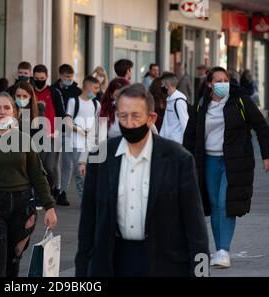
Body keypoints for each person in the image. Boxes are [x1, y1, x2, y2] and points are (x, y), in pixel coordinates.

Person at [75, 83, 209, 277]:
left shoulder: (178, 159)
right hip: (112, 263)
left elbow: (196, 229)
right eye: (123, 116)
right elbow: (87, 224)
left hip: (165, 264)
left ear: (151, 118)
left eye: (136, 116)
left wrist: (201, 274)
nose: (129, 123)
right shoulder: (100, 158)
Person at [183, 66, 269, 268]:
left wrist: (267, 155)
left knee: (226, 203)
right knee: (215, 206)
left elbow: (261, 125)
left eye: (225, 79)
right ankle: (219, 250)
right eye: (218, 80)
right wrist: (184, 160)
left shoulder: (240, 101)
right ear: (209, 84)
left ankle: (224, 249)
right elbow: (190, 135)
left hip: (235, 162)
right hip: (209, 161)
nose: (223, 83)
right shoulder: (201, 105)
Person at [0, 92, 57, 277]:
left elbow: (38, 174)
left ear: (14, 112)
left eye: (7, 107)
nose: (2, 111)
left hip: (23, 207)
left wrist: (49, 206)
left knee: (13, 262)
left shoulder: (23, 139)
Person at [63, 76, 101, 201]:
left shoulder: (96, 104)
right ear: (88, 87)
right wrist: (80, 130)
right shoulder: (74, 101)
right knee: (80, 174)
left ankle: (90, 199)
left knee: (93, 174)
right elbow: (67, 121)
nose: (97, 90)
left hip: (91, 144)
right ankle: (84, 201)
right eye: (95, 87)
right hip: (77, 143)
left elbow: (98, 122)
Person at [51, 64, 82, 206]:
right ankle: (55, 188)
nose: (69, 79)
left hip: (70, 130)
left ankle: (62, 191)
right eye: (66, 77)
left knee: (67, 163)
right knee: (52, 162)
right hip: (55, 128)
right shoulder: (53, 89)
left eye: (70, 76)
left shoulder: (77, 91)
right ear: (60, 76)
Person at [33, 64, 60, 204]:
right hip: (34, 134)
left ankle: (51, 191)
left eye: (42, 78)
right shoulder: (30, 92)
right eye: (37, 78)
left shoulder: (54, 92)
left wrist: (57, 130)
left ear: (47, 77)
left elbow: (61, 113)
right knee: (38, 165)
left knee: (49, 165)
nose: (39, 80)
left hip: (51, 134)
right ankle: (40, 194)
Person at [159, 72, 189, 144]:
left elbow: (185, 123)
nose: (161, 86)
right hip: (168, 142)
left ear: (167, 85)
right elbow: (166, 123)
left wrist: (187, 144)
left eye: (162, 84)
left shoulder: (179, 101)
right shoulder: (169, 99)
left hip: (177, 143)